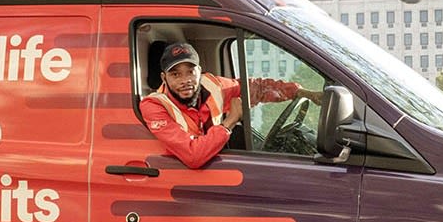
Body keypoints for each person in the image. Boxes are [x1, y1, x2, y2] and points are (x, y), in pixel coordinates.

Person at [138, 41, 324, 169]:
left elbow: (257, 88)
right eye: (175, 74)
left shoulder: (213, 85)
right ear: (164, 77)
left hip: (213, 168)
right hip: (183, 180)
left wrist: (302, 93)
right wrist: (231, 121)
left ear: (199, 72)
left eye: (190, 72)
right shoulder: (154, 106)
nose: (185, 80)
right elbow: (193, 156)